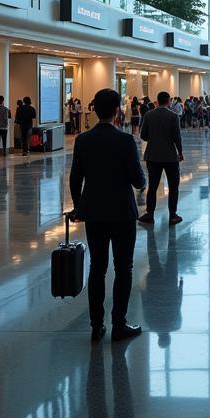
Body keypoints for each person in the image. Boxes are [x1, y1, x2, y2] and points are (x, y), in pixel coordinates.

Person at [69, 88, 145, 343]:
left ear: (93, 109)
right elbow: (137, 180)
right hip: (122, 212)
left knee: (97, 268)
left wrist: (78, 207)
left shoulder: (83, 140)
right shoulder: (125, 141)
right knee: (124, 268)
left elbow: (75, 177)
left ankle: (96, 324)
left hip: (94, 212)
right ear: (117, 111)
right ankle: (119, 323)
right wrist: (142, 179)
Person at [138, 91, 184, 226]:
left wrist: (154, 138)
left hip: (153, 155)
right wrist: (180, 152)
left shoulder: (149, 115)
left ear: (157, 101)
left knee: (152, 186)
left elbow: (143, 135)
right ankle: (172, 215)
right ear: (169, 101)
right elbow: (177, 137)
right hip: (170, 156)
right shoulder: (173, 116)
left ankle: (150, 214)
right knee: (173, 186)